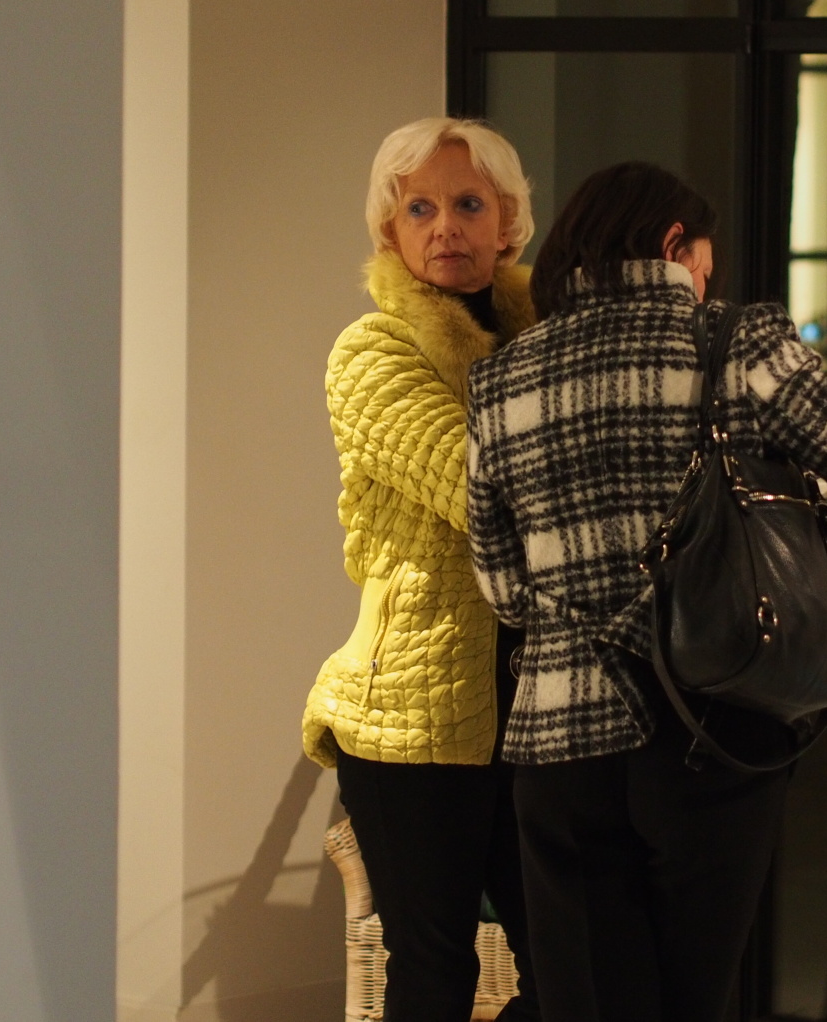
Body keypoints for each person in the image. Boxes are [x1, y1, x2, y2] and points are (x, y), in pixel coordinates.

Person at [465, 161, 827, 1022]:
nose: (706, 282)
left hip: (559, 740)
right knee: (692, 998)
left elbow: (503, 589)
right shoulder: (734, 342)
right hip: (709, 722)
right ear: (672, 244)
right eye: (703, 264)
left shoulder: (501, 380)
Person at [302, 117, 542, 1021]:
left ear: (507, 221)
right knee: (433, 975)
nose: (446, 227)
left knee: (570, 970)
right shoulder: (372, 350)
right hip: (411, 715)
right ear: (389, 228)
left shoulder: (542, 340)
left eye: (468, 204)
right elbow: (479, 489)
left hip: (538, 706)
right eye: (420, 209)